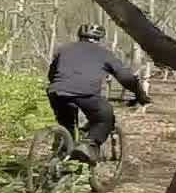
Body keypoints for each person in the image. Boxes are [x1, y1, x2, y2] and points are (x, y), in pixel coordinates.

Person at [46, 23, 149, 161]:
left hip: (57, 92)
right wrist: (140, 95)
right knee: (105, 118)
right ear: (99, 38)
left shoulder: (64, 50)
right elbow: (126, 78)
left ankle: (62, 155)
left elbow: (51, 74)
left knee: (67, 124)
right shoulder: (104, 54)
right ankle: (89, 144)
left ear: (80, 36)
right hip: (86, 94)